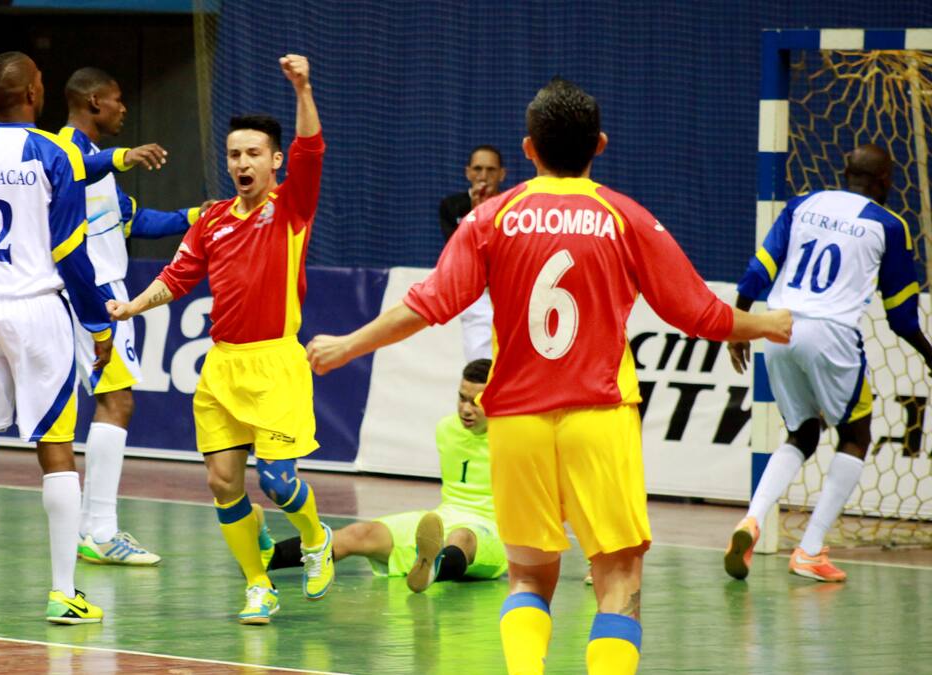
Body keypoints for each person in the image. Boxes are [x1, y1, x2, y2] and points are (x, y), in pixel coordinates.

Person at [306, 78, 792, 674]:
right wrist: (765, 323)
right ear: (601, 145)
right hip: (598, 415)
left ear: (529, 148)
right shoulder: (625, 217)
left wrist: (347, 345)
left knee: (530, 577)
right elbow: (700, 313)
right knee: (617, 577)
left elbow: (426, 304)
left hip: (516, 424)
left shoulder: (491, 218)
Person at [108, 54, 331, 625]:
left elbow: (312, 150)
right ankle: (259, 586)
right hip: (222, 367)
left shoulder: (291, 208)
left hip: (275, 363)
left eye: (254, 153)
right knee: (222, 481)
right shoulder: (212, 220)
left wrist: (302, 89)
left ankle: (315, 537)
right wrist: (133, 304)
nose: (242, 162)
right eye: (234, 154)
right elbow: (179, 275)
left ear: (274, 160)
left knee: (279, 482)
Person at [0, 51, 113, 625]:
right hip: (36, 311)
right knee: (56, 449)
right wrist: (99, 322)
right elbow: (69, 251)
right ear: (34, 92)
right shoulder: (57, 153)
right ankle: (64, 594)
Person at [724, 144, 932, 583]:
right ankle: (810, 550)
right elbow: (901, 316)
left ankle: (751, 520)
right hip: (831, 334)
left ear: (845, 172)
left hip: (777, 327)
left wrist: (740, 324)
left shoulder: (803, 204)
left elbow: (759, 268)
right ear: (887, 183)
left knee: (801, 432)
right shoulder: (889, 225)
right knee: (856, 434)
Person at [58, 66, 208, 567]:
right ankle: (98, 531)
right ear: (95, 101)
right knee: (116, 402)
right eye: (118, 99)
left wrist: (194, 216)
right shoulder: (66, 149)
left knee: (109, 403)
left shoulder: (100, 169)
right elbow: (86, 164)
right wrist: (125, 156)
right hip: (92, 291)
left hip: (106, 286)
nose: (125, 108)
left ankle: (91, 528)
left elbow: (133, 218)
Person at [261, 359, 506, 592]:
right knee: (360, 533)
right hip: (443, 518)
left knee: (460, 537)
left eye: (475, 402)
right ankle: (269, 556)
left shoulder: (513, 438)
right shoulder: (447, 429)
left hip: (492, 532)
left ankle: (433, 569)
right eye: (462, 399)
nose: (466, 409)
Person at [439, 146, 507, 362]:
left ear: (502, 174)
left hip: (507, 292)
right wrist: (477, 213)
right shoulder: (452, 206)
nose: (484, 176)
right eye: (477, 169)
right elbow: (458, 251)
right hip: (475, 295)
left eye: (491, 169)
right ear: (467, 172)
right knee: (479, 363)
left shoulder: (512, 205)